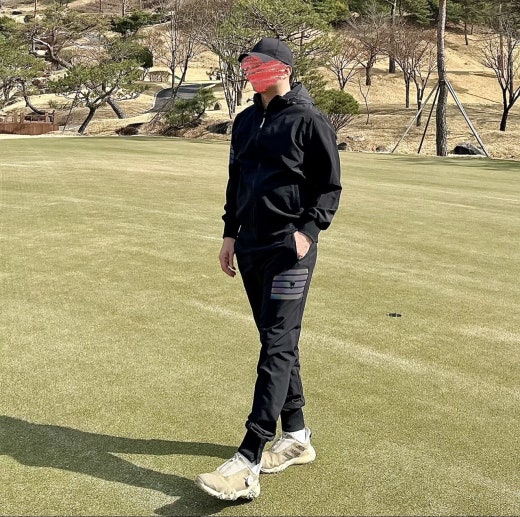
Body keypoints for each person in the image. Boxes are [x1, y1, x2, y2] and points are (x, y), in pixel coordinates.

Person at [195, 37, 342, 501]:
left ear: (284, 69)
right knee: (276, 340)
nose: (251, 71)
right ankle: (295, 435)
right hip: (250, 246)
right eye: (247, 65)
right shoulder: (244, 120)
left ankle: (248, 459)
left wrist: (307, 231)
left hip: (289, 249)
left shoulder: (309, 119)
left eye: (260, 64)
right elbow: (236, 179)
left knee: (277, 343)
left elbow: (329, 186)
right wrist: (229, 233)